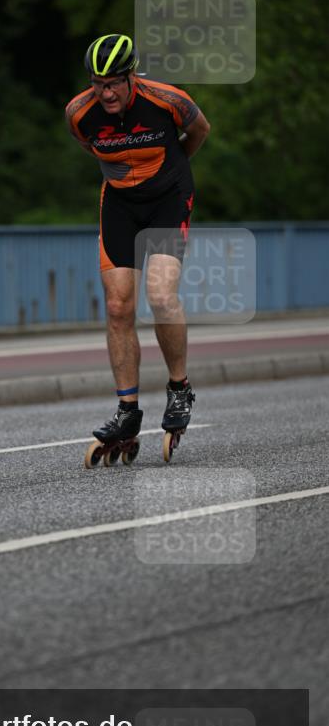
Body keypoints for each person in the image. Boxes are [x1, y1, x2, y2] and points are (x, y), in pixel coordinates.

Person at [65, 33, 210, 447]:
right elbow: (90, 148)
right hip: (120, 203)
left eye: (113, 82)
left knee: (161, 296)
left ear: (132, 75)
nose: (105, 92)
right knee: (117, 305)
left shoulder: (169, 100)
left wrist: (173, 169)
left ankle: (179, 389)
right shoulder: (79, 113)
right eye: (97, 82)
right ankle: (127, 412)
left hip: (168, 197)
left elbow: (200, 131)